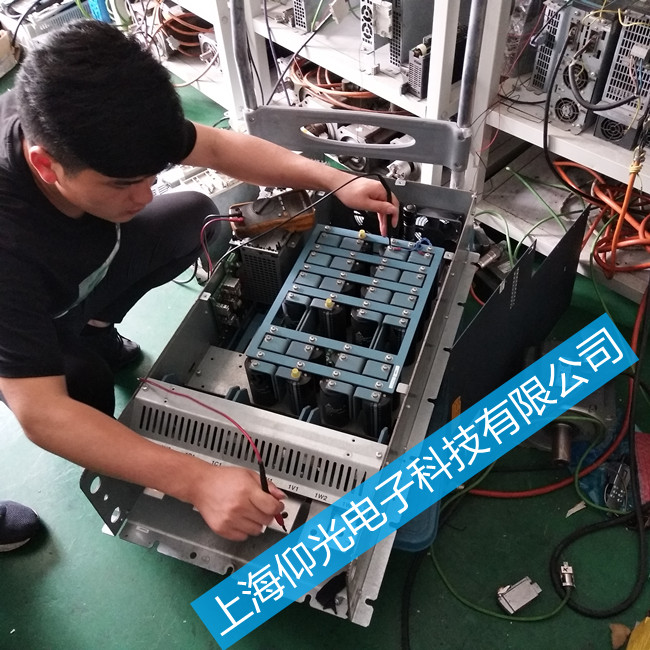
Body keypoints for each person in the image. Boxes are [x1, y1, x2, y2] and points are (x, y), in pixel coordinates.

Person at [0, 20, 399, 542]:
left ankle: (91, 326)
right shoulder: (9, 244)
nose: (145, 195)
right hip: (18, 313)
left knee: (191, 216)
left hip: (61, 282)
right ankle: (75, 344)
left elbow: (215, 148)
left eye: (152, 175)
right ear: (45, 166)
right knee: (83, 390)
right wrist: (197, 481)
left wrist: (335, 178)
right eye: (123, 184)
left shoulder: (75, 116)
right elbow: (43, 414)